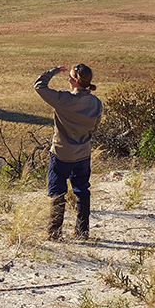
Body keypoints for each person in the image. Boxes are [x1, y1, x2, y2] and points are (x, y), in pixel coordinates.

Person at [34, 64, 103, 240]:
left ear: (73, 81)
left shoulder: (64, 100)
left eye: (70, 77)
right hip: (83, 153)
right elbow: (94, 129)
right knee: (82, 191)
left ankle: (54, 232)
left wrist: (54, 71)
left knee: (58, 191)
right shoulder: (96, 103)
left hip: (61, 153)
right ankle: (82, 231)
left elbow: (39, 86)